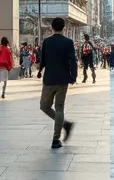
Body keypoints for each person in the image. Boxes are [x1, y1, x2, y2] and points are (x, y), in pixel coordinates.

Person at [39, 18, 77, 149]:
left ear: (52, 27)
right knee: (59, 107)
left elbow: (42, 59)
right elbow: (72, 60)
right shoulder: (68, 42)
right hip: (62, 80)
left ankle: (56, 138)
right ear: (64, 28)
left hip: (49, 79)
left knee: (45, 106)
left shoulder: (47, 41)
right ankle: (64, 125)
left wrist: (39, 71)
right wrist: (73, 76)